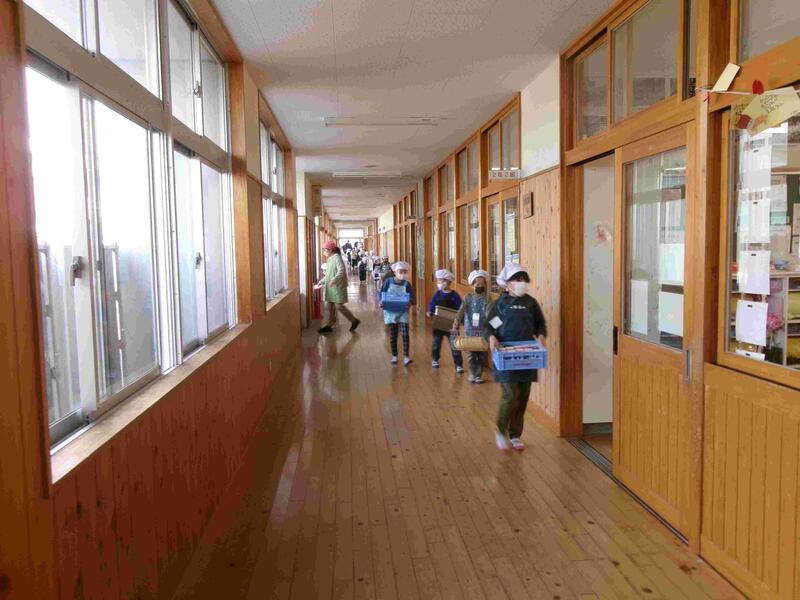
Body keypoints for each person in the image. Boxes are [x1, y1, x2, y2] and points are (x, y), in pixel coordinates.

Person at [485, 264, 547, 452]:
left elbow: (540, 324)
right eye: (517, 279)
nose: (521, 283)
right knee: (510, 394)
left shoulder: (530, 303)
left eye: (523, 280)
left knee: (523, 396)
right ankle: (500, 431)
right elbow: (490, 327)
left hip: (527, 354)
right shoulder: (500, 305)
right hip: (505, 355)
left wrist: (541, 335)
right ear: (506, 283)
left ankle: (515, 435)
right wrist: (492, 337)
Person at [454, 269, 494, 383]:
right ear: (472, 285)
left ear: (485, 285)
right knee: (471, 354)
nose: (480, 286)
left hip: (483, 330)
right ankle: (472, 373)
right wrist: (456, 320)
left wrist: (496, 325)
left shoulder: (488, 298)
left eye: (482, 284)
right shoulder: (467, 297)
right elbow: (461, 310)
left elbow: (490, 313)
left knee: (482, 353)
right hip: (470, 329)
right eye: (477, 284)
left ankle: (479, 375)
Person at [315, 240, 360, 334]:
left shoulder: (337, 258)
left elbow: (341, 271)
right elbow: (328, 275)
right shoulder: (330, 259)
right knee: (329, 306)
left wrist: (334, 280)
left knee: (339, 306)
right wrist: (321, 282)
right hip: (331, 287)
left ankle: (354, 320)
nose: (324, 252)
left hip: (337, 286)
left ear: (331, 250)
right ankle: (329, 325)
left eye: (325, 250)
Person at [426, 269, 463, 372]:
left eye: (441, 281)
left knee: (455, 345)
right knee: (436, 343)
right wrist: (430, 311)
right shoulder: (437, 294)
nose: (439, 283)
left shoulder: (455, 296)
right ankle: (435, 359)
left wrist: (459, 320)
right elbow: (432, 304)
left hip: (452, 325)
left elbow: (460, 309)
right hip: (438, 324)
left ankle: (458, 364)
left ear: (448, 281)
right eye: (438, 281)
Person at [380, 261, 415, 365]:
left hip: (403, 312)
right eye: (400, 272)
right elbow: (382, 293)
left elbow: (412, 297)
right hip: (391, 313)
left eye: (405, 272)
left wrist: (410, 302)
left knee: (405, 334)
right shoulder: (388, 282)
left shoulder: (407, 284)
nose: (403, 274)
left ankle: (406, 357)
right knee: (393, 335)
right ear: (395, 272)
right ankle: (394, 355)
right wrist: (381, 301)